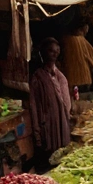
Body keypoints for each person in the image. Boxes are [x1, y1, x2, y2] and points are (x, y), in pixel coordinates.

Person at [29, 37, 72, 169]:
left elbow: (66, 103)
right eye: (51, 51)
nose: (54, 53)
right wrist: (37, 133)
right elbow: (33, 106)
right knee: (48, 165)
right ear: (43, 53)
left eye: (57, 51)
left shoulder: (60, 76)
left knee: (62, 162)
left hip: (62, 126)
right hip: (47, 129)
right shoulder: (37, 77)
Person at [59, 20, 93, 92]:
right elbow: (92, 56)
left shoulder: (64, 39)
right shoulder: (81, 40)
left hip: (69, 75)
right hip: (82, 76)